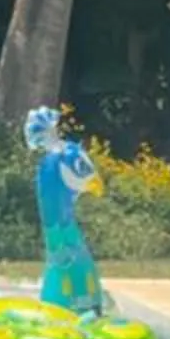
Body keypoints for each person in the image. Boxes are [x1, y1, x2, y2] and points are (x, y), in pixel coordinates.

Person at [23, 105, 105, 315]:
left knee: (69, 256)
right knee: (67, 258)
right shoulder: (54, 162)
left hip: (61, 231)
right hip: (59, 232)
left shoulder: (58, 158)